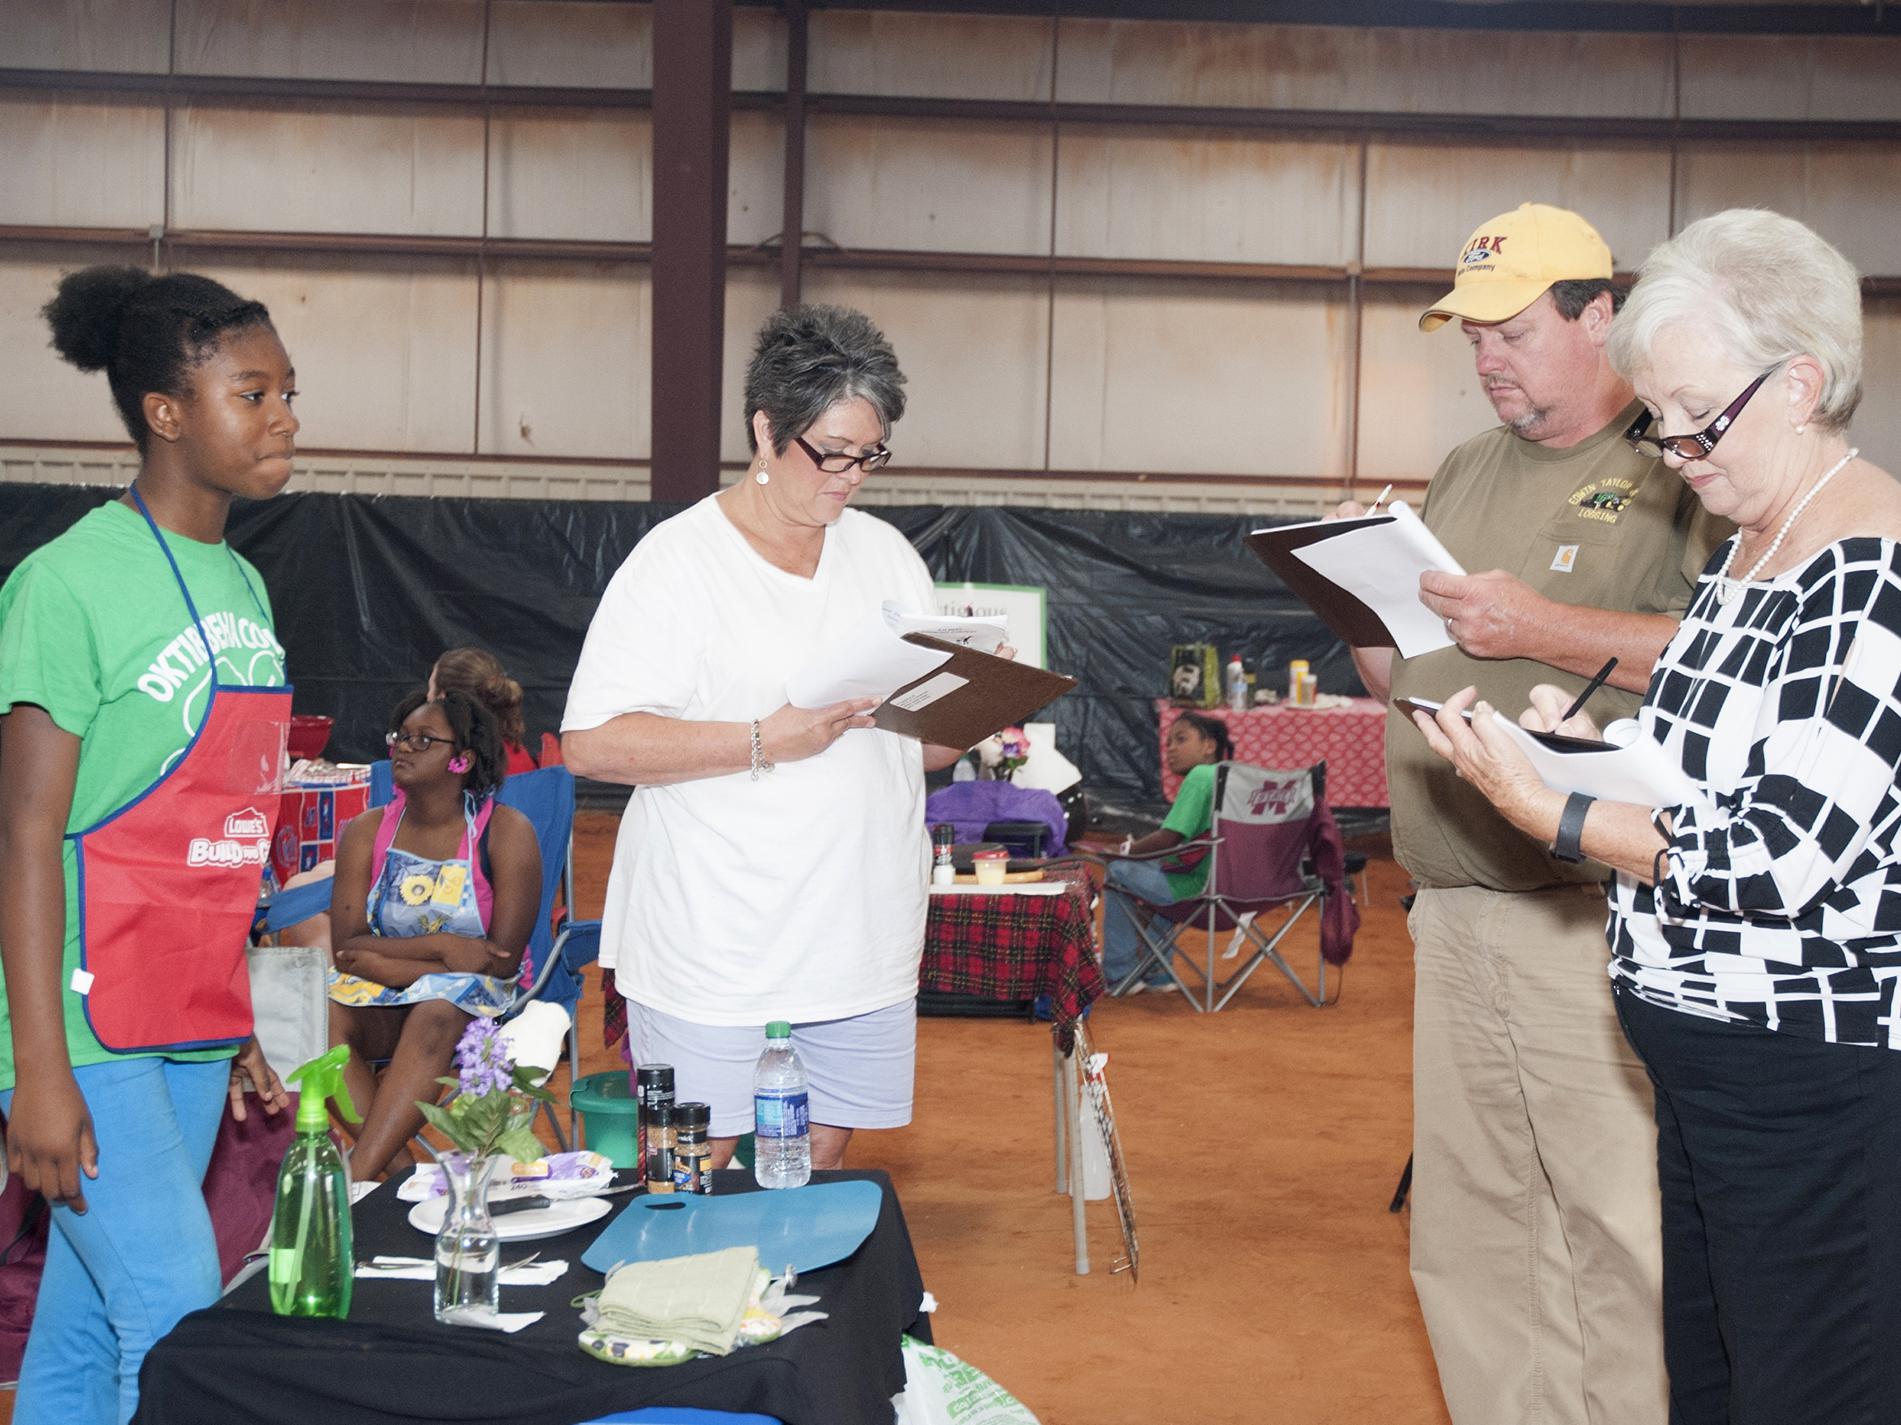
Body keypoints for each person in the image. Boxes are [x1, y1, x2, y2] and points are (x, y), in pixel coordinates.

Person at [1415, 208, 1901, 1425]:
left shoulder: (1868, 566)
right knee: (1720, 1382)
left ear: (1798, 383)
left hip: (1807, 1075)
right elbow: (1705, 764)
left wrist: (1556, 813)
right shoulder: (1754, 547)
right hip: (1707, 1065)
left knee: (1805, 1387)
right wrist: (1588, 756)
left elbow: (1781, 853)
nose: (1671, 447)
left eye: (1694, 416)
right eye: (1664, 418)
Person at [1342, 204, 1729, 1425]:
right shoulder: (1462, 469)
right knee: (1475, 1234)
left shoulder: (1680, 466)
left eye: (1508, 332)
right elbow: (1404, 673)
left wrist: (1540, 629)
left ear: (1597, 314)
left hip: (1591, 912)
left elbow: (1735, 657)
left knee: (1618, 1232)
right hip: (1452, 910)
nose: (1485, 359)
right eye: (1469, 339)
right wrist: (1353, 591)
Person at [562, 304, 971, 1172]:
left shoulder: (889, 555)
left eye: (870, 454)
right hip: (719, 937)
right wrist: (762, 739)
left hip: (857, 935)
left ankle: (784, 1309)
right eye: (830, 451)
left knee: (817, 1153)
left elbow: (922, 750)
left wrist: (976, 707)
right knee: (693, 1161)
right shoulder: (678, 564)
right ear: (764, 427)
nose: (850, 475)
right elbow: (592, 743)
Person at [0, 266, 296, 1425]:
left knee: (82, 1326)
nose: (283, 416)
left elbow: (220, 833)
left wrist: (243, 1022)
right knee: (181, 1323)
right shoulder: (64, 585)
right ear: (167, 413)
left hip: (187, 1014)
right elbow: (24, 837)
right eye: (252, 391)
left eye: (287, 391)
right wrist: (37, 1071)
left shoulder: (249, 587)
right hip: (86, 1026)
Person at [326, 690, 541, 1181]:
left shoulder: (505, 833)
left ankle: (358, 1182)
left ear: (462, 759)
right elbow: (346, 949)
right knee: (315, 1022)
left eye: (424, 740)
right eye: (401, 737)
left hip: (474, 1010)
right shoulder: (365, 831)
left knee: (438, 1008)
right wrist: (443, 949)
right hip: (386, 993)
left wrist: (383, 962)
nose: (404, 747)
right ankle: (397, 1181)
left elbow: (501, 964)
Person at [1099, 711, 1234, 993]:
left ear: (1209, 745)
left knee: (1119, 872)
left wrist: (1124, 851)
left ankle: (1120, 973)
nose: (1171, 748)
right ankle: (1157, 971)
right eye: (1168, 742)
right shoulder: (1235, 777)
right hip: (1239, 895)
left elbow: (1169, 838)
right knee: (1157, 870)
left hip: (1198, 892)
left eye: (1181, 739)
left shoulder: (1201, 776)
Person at [429, 646, 538, 776]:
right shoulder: (516, 752)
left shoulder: (451, 765)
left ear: (443, 698)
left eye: (430, 688)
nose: (427, 696)